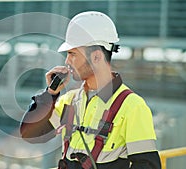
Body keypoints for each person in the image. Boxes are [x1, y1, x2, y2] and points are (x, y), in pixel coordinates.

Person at [20, 11, 161, 169]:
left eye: (72, 54)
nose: (67, 61)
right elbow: (30, 134)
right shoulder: (70, 101)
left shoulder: (133, 107)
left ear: (96, 57)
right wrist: (50, 95)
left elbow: (147, 165)